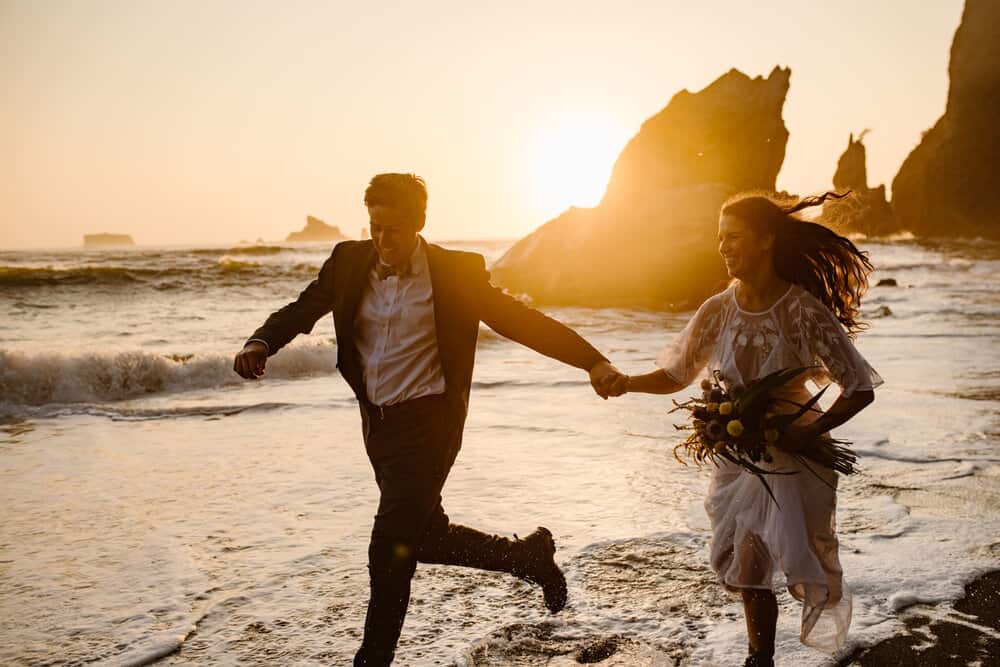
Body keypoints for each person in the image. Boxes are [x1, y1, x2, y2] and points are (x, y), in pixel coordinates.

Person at [233, 173, 624, 666]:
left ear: (419, 223)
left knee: (388, 547)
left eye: (393, 229)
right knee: (425, 536)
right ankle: (527, 557)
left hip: (432, 423)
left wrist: (592, 360)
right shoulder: (348, 261)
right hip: (378, 425)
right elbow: (303, 309)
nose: (382, 240)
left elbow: (520, 321)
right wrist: (260, 342)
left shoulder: (455, 272)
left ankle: (373, 660)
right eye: (374, 227)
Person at [607, 191, 882, 666]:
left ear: (766, 240)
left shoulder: (802, 311)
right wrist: (624, 382)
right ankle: (762, 657)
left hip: (794, 459)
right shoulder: (717, 309)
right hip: (736, 458)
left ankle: (759, 659)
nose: (723, 247)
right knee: (739, 564)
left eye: (733, 237)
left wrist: (807, 433)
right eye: (720, 238)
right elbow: (677, 374)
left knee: (765, 563)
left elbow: (858, 387)